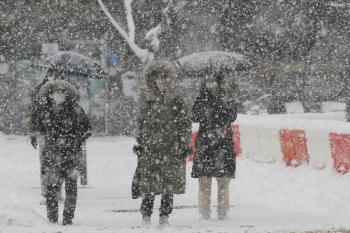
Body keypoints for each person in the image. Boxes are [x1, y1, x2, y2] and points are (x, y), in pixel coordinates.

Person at [133, 59, 192, 226]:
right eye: (157, 78)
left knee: (168, 184)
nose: (160, 81)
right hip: (150, 148)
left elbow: (184, 123)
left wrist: (184, 144)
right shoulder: (147, 98)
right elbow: (140, 121)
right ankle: (146, 214)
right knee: (148, 184)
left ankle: (165, 215)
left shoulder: (176, 100)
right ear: (153, 80)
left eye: (164, 78)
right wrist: (140, 141)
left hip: (170, 147)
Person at [35, 79, 91, 225]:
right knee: (52, 187)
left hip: (71, 155)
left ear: (67, 94)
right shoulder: (46, 111)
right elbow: (39, 128)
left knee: (71, 187)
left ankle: (68, 217)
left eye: (61, 92)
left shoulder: (76, 110)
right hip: (52, 155)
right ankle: (52, 217)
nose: (58, 95)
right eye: (55, 93)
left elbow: (87, 129)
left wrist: (75, 140)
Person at [191, 71, 237, 220]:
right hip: (205, 143)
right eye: (208, 81)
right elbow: (194, 117)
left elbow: (232, 117)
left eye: (213, 81)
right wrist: (204, 107)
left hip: (223, 143)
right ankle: (204, 213)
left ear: (218, 82)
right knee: (204, 181)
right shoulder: (200, 99)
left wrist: (229, 101)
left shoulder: (226, 98)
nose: (211, 84)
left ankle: (223, 213)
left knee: (223, 180)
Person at [28, 68, 63, 203]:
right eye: (49, 72)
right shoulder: (39, 89)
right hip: (44, 131)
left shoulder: (65, 87)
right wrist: (32, 132)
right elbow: (33, 112)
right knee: (45, 163)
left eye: (54, 72)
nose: (52, 74)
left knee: (60, 163)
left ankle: (57, 191)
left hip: (61, 133)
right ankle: (46, 192)